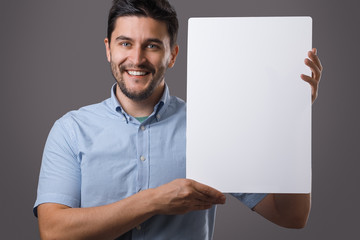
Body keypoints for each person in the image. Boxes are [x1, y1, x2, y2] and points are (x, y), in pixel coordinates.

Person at [33, 0, 323, 239]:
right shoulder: (71, 131)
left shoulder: (213, 127)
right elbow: (53, 231)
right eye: (125, 43)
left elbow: (291, 215)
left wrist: (292, 119)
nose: (136, 59)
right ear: (109, 48)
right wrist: (154, 200)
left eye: (152, 45)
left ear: (172, 55)